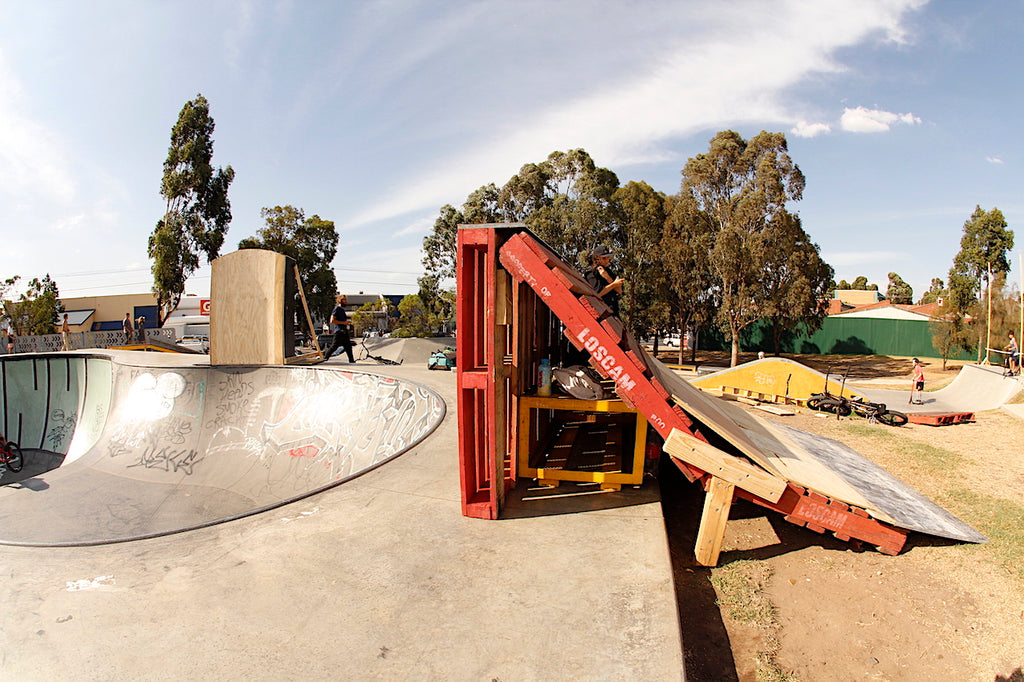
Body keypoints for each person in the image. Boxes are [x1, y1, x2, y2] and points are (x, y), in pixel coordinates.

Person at [584, 244, 625, 316]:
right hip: (601, 313)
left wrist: (608, 278)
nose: (607, 260)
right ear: (597, 259)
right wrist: (614, 284)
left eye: (608, 257)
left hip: (613, 312)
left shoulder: (609, 272)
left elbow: (619, 291)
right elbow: (597, 295)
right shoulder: (591, 274)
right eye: (604, 258)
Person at [321, 294, 355, 363]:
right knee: (334, 346)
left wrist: (346, 323)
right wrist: (344, 323)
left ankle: (351, 361)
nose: (345, 301)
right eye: (344, 300)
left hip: (344, 331)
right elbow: (332, 320)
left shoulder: (342, 310)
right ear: (340, 300)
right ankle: (325, 358)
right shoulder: (337, 309)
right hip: (339, 331)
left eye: (345, 300)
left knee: (348, 347)